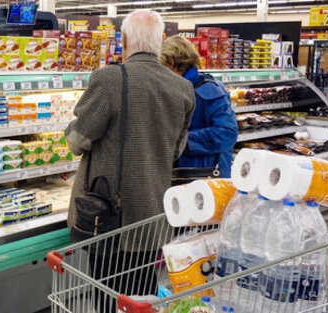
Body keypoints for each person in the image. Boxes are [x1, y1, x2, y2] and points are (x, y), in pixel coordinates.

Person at [65, 10, 195, 312]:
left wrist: (69, 128)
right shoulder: (183, 88)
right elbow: (177, 149)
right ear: (161, 42)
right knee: (142, 293)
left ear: (123, 40)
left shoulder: (109, 79)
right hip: (153, 213)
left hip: (109, 217)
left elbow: (77, 142)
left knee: (109, 295)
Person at [160, 36, 238, 178]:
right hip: (187, 173)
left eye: (163, 66)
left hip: (205, 176)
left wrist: (183, 142)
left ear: (172, 63)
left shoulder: (207, 90)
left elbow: (228, 132)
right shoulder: (181, 88)